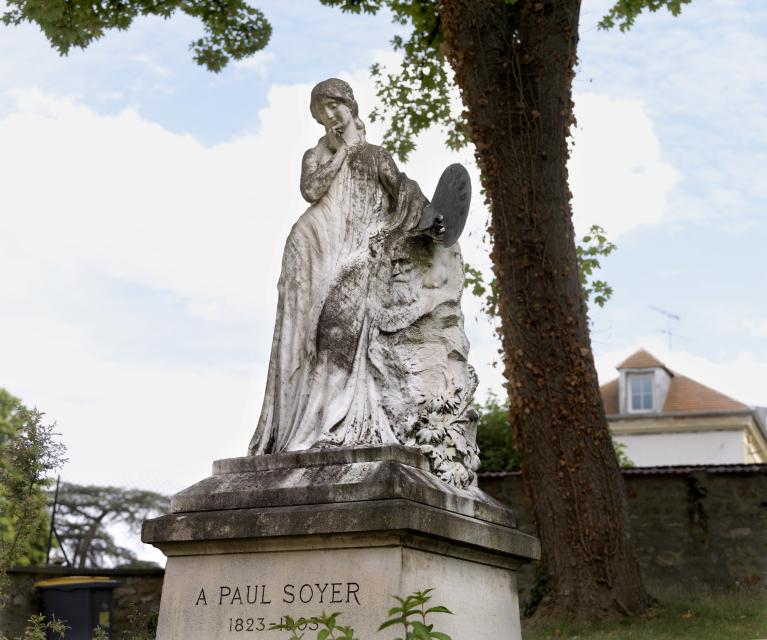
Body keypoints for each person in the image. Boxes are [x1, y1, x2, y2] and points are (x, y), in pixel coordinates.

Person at [248, 79, 477, 480]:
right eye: (322, 112)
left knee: (335, 328)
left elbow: (405, 193)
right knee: (304, 339)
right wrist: (341, 154)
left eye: (335, 106)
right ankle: (307, 429)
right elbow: (310, 189)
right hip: (314, 247)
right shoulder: (316, 156)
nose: (331, 116)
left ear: (350, 106)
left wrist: (434, 221)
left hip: (359, 249)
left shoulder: (375, 157)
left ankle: (336, 424)